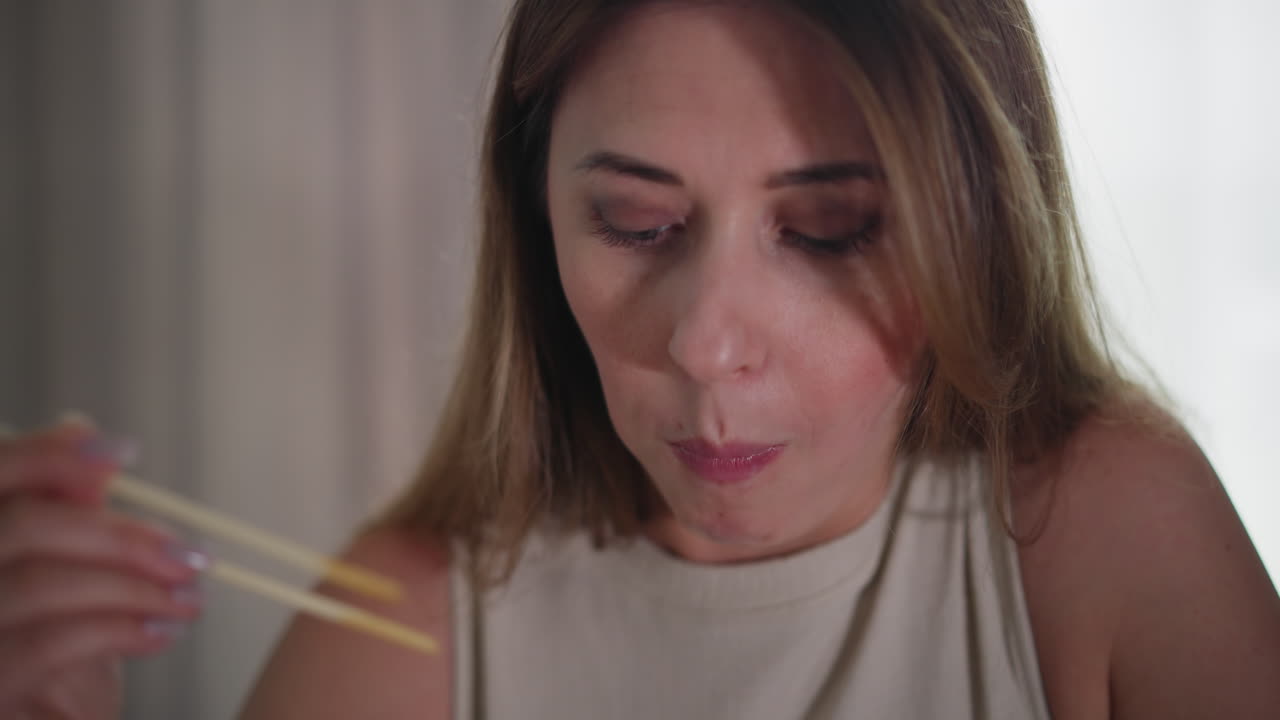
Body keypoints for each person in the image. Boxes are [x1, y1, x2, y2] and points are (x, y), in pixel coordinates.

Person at [2, 0, 1278, 717]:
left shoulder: (1101, 535)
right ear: (534, 212)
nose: (705, 345)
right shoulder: (418, 624)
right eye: (637, 225)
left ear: (972, 223)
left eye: (829, 231)